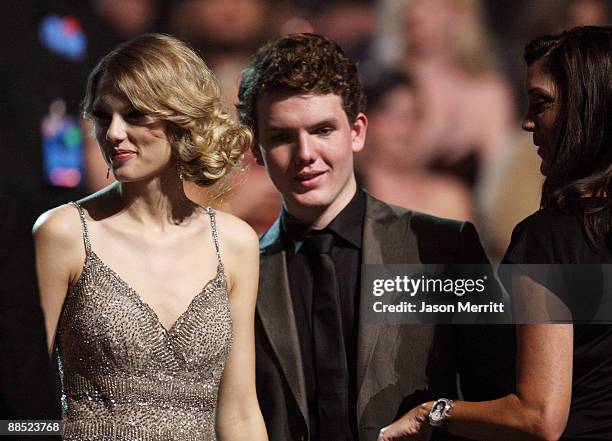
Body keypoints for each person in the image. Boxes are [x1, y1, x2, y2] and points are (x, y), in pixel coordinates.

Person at [237, 32, 513, 441]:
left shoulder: (442, 247)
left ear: (357, 132)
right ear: (257, 151)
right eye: (281, 137)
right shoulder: (241, 274)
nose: (305, 153)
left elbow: (499, 400)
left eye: (323, 130)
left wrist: (434, 416)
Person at [379, 25, 612, 441]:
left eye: (541, 103)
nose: (526, 123)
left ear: (588, 106)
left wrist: (433, 411)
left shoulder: (551, 237)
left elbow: (539, 415)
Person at [33, 33, 268, 441]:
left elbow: (241, 413)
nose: (114, 133)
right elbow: (21, 399)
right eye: (103, 116)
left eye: (135, 114)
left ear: (181, 119)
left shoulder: (235, 244)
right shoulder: (65, 232)